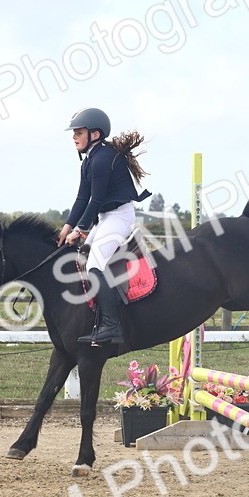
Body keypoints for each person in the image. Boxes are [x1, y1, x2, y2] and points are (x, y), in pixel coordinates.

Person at [58, 107, 151, 346]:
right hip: (106, 218)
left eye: (79, 132)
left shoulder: (102, 159)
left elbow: (96, 200)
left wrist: (79, 230)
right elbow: (82, 198)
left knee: (94, 266)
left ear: (95, 134)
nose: (74, 137)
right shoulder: (89, 160)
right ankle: (97, 321)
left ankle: (112, 326)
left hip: (119, 217)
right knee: (83, 259)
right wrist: (67, 227)